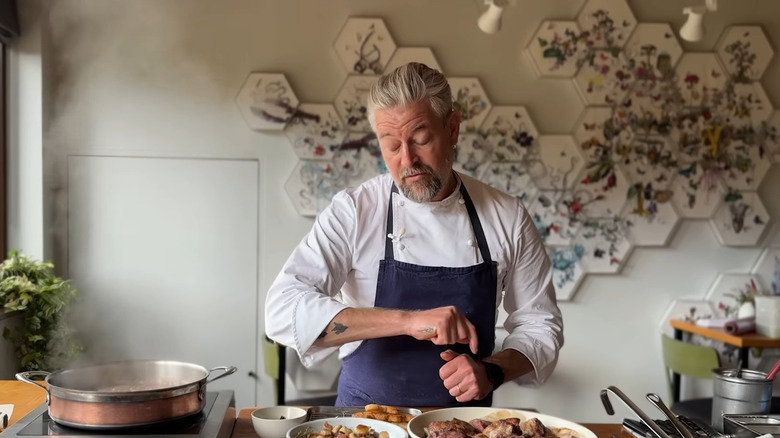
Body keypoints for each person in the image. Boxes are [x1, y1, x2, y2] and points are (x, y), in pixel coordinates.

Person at [265, 62, 563, 407]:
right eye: (392, 146)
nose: (408, 160)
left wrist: (492, 371)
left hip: (465, 426)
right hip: (362, 422)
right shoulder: (355, 211)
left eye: (421, 140)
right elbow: (282, 312)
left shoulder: (506, 216)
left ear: (452, 127)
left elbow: (540, 327)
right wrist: (408, 321)